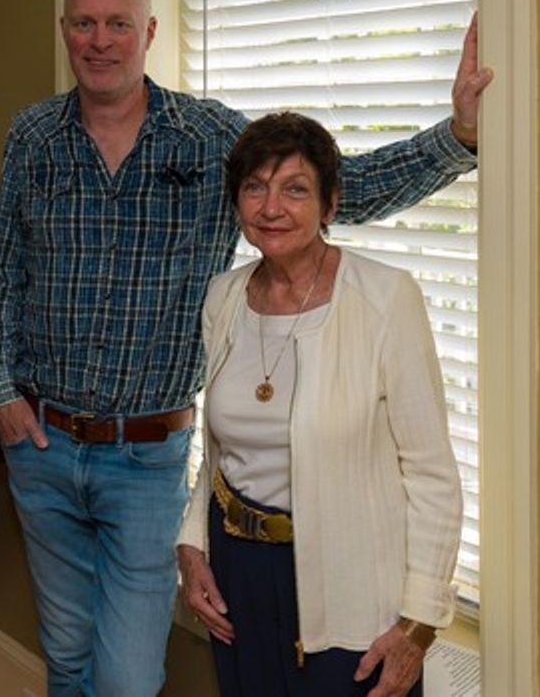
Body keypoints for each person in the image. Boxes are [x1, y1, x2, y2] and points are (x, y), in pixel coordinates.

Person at [0, 0, 491, 696]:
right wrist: (2, 397)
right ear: (64, 29)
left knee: (122, 678)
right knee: (65, 652)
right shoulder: (33, 138)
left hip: (147, 459)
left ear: (149, 31)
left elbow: (331, 186)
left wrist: (458, 138)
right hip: (43, 447)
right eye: (84, 22)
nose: (100, 38)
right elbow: (0, 279)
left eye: (119, 21)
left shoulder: (207, 135)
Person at [177, 113, 463, 697]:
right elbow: (219, 454)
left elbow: (432, 474)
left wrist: (418, 622)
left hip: (354, 580)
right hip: (240, 575)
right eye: (255, 187)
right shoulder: (224, 296)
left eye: (295, 189)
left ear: (331, 204)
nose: (271, 207)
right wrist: (191, 546)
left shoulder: (385, 299)